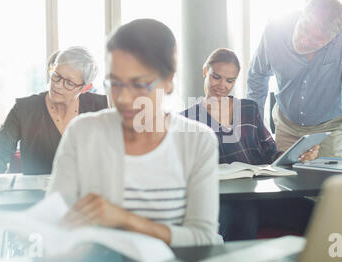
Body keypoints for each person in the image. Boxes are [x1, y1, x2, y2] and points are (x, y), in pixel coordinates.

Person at [47, 19, 222, 247]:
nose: (123, 99)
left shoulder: (197, 141)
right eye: (115, 83)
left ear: (169, 81)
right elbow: (52, 221)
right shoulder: (82, 133)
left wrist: (125, 219)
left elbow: (202, 238)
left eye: (139, 85)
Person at [182, 48, 319, 241]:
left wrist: (297, 155)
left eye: (230, 80)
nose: (222, 85)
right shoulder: (187, 120)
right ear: (206, 72)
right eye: (216, 77)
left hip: (264, 194)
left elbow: (270, 153)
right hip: (228, 200)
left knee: (321, 215)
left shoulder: (248, 108)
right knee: (241, 228)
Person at [248, 0, 342, 162]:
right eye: (304, 28)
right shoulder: (275, 30)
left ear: (332, 38)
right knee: (286, 182)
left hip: (330, 130)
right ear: (302, 16)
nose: (304, 40)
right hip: (287, 126)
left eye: (317, 39)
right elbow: (257, 77)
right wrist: (254, 130)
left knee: (329, 185)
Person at [0, 46, 108, 185]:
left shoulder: (101, 107)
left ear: (85, 87)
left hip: (88, 197)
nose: (57, 85)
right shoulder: (24, 109)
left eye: (69, 83)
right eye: (56, 76)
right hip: (35, 198)